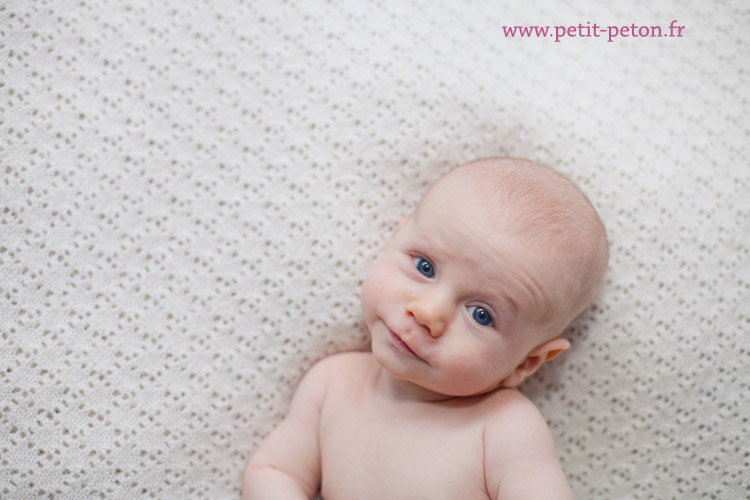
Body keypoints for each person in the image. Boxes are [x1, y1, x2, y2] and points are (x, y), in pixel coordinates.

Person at [243, 157, 609, 499]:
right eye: (425, 267)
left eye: (481, 314)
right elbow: (275, 470)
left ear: (526, 363)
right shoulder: (331, 385)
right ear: (394, 240)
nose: (427, 313)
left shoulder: (504, 429)